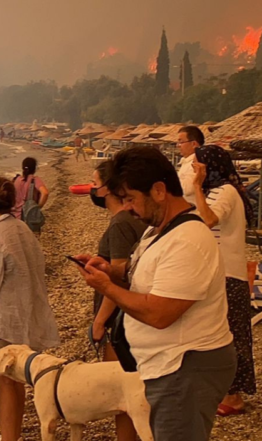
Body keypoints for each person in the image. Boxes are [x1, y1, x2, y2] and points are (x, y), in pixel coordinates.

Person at [76, 147, 235, 441]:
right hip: (167, 365)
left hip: (185, 367)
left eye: (131, 199)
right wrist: (111, 272)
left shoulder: (188, 240)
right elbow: (149, 278)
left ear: (159, 191)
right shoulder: (158, 230)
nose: (127, 208)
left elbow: (160, 313)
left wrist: (107, 288)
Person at [0, 178, 59, 441]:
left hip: (0, 320)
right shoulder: (23, 230)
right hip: (25, 315)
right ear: (15, 202)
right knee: (15, 380)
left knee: (4, 383)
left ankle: (8, 437)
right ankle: (12, 435)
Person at [191, 145, 256, 416]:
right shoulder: (219, 191)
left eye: (197, 165)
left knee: (232, 334)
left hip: (229, 274)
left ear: (209, 166)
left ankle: (234, 396)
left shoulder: (225, 192)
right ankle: (225, 391)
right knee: (220, 332)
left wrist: (196, 187)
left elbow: (208, 219)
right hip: (221, 272)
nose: (193, 169)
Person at [88, 161, 148, 441]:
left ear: (107, 189)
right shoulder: (130, 220)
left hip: (119, 320)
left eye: (95, 183)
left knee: (122, 392)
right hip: (130, 315)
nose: (92, 189)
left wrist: (99, 321)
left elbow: (119, 276)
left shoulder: (120, 224)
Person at [12, 157, 48, 232]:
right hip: (29, 218)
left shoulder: (16, 180)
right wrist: (38, 206)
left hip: (14, 217)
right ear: (34, 168)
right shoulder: (34, 180)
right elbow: (45, 193)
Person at [176, 125, 205, 202]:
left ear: (193, 144)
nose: (178, 145)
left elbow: (187, 189)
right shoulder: (186, 161)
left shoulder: (196, 162)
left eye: (181, 142)